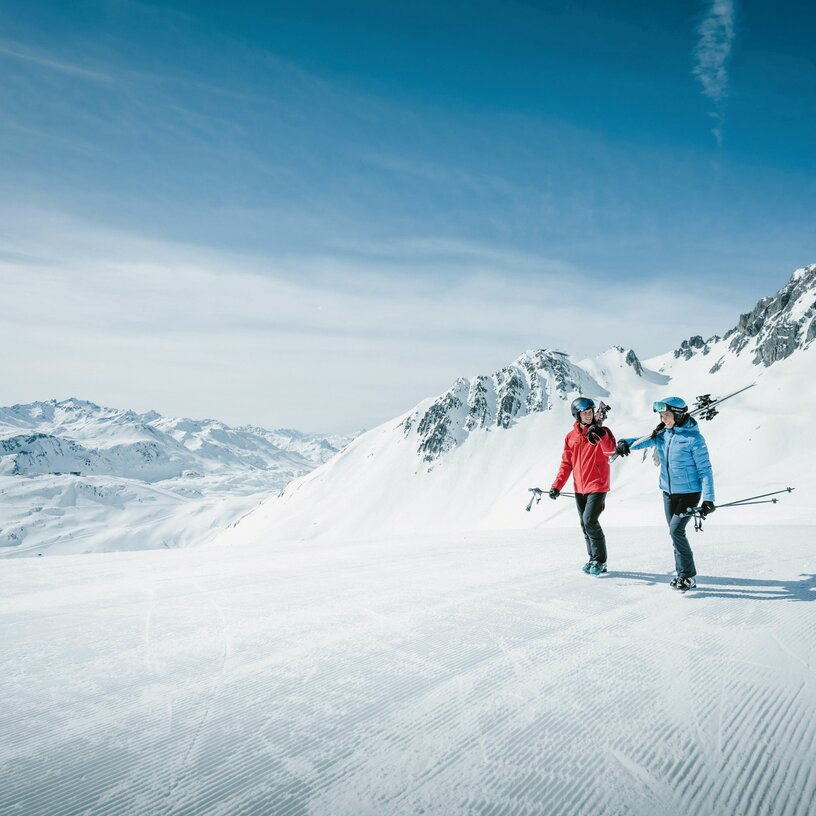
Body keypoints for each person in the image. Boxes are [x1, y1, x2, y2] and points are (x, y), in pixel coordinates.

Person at [615, 397, 715, 591]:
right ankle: (682, 575)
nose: (663, 419)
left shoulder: (694, 439)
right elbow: (641, 441)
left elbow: (705, 470)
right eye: (661, 416)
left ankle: (688, 576)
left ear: (678, 415)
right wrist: (624, 443)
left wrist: (709, 499)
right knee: (675, 534)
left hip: (689, 493)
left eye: (667, 415)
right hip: (668, 493)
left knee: (676, 530)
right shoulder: (663, 434)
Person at [550, 396, 617, 575]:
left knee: (590, 521)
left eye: (590, 412)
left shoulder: (601, 431)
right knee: (584, 524)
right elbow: (566, 464)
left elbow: (611, 451)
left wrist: (601, 434)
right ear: (577, 415)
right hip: (580, 488)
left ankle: (600, 560)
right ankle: (592, 558)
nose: (588, 416)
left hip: (598, 485)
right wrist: (557, 486)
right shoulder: (571, 438)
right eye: (584, 413)